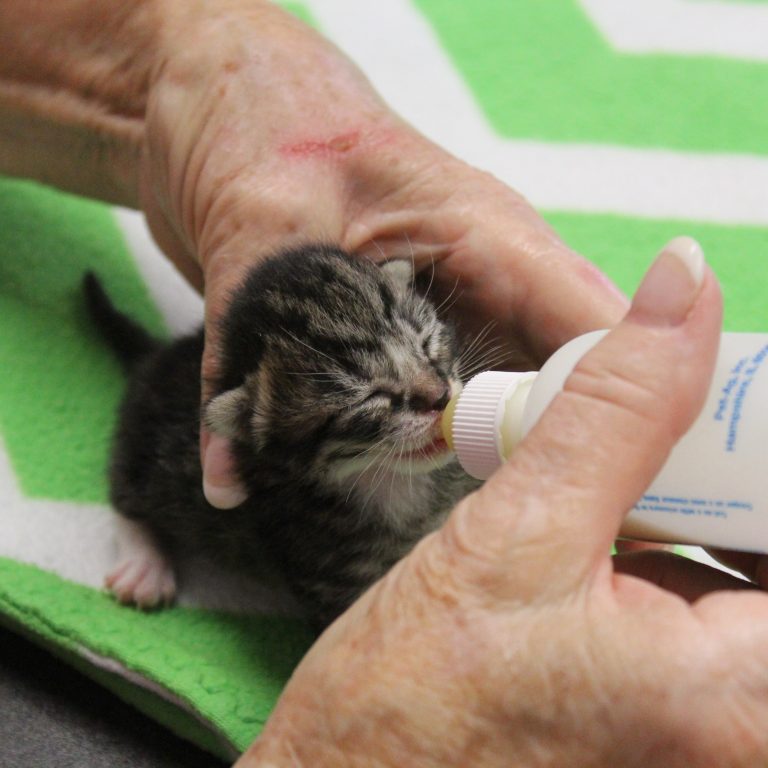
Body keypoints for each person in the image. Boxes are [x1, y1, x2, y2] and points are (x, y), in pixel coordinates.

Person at [2, 2, 767, 765]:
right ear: (269, 433)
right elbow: (357, 621)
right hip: (217, 456)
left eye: (431, 345)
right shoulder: (314, 518)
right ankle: (136, 524)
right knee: (147, 460)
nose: (438, 393)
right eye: (372, 399)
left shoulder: (432, 404)